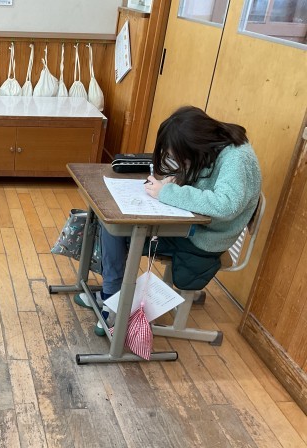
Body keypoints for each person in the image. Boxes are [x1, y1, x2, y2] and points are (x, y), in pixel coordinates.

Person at [75, 106, 262, 334]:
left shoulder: (236, 158)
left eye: (180, 156)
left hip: (204, 238)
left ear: (195, 145)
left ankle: (113, 299)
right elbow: (202, 178)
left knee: (118, 229)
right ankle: (114, 295)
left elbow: (226, 205)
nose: (178, 161)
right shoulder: (214, 145)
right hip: (192, 225)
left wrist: (168, 192)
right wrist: (177, 180)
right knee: (112, 223)